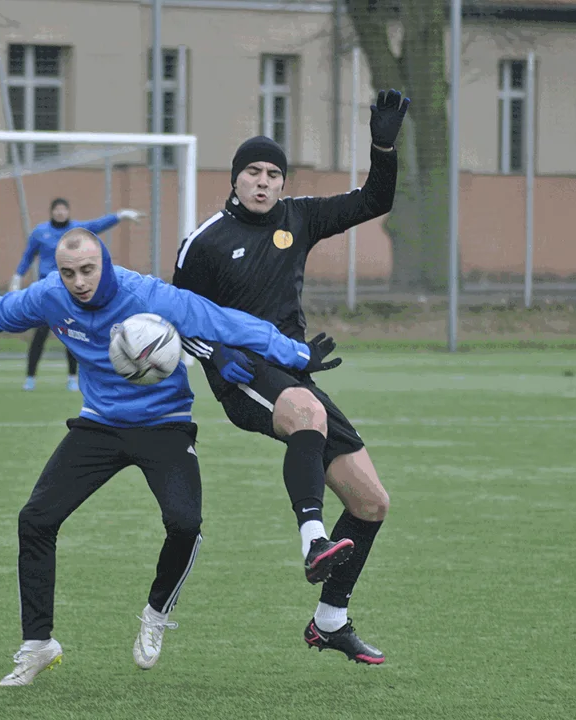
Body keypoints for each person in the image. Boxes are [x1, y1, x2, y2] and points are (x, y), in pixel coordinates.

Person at [0, 227, 338, 686]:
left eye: (87, 269)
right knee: (36, 520)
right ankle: (38, 644)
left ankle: (157, 611)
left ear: (103, 262)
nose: (79, 281)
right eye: (68, 273)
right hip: (99, 424)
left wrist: (295, 353)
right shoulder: (49, 296)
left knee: (185, 524)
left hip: (164, 423)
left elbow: (222, 322)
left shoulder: (147, 294)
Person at [172, 89, 409, 665]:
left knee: (372, 501)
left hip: (291, 370)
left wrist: (382, 145)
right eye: (252, 171)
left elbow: (375, 200)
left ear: (283, 182)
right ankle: (312, 540)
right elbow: (174, 319)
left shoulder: (299, 217)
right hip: (239, 373)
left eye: (273, 173)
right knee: (305, 411)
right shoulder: (204, 242)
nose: (263, 181)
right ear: (234, 180)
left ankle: (330, 621)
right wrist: (214, 354)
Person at [9, 198, 144, 392]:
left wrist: (120, 215)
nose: (60, 213)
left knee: (73, 335)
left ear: (68, 211)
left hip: (69, 291)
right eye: (57, 210)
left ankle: (72, 378)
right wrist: (17, 276)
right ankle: (30, 378)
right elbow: (28, 256)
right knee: (39, 335)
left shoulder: (76, 231)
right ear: (52, 212)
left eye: (64, 210)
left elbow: (97, 225)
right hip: (47, 292)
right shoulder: (40, 232)